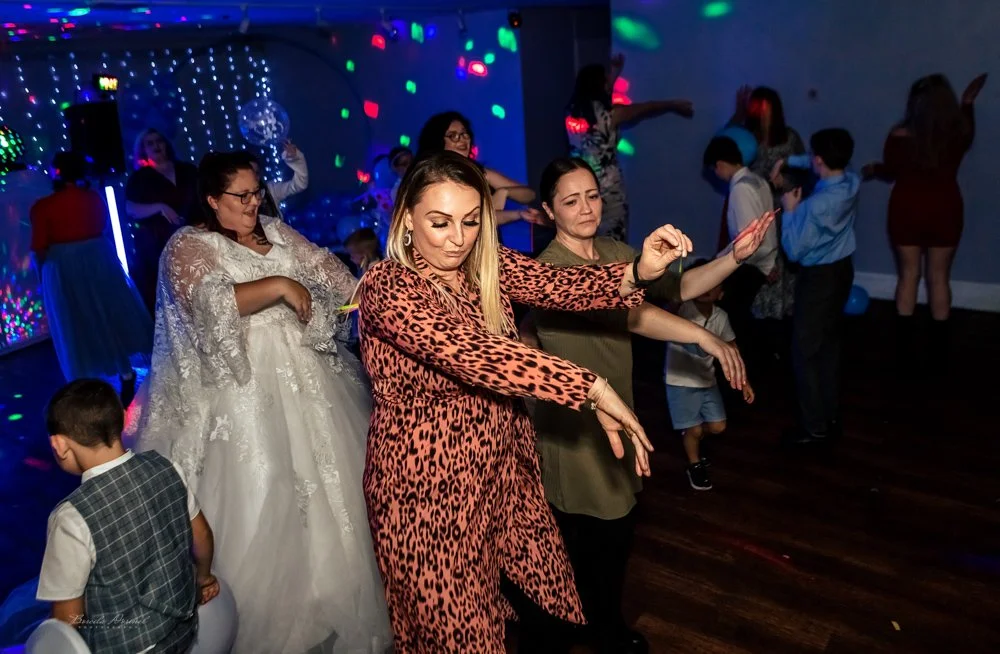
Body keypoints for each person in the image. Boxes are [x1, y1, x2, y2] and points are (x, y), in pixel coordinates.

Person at [358, 151, 698, 653]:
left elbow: (560, 284)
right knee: (460, 636)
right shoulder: (388, 286)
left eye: (472, 221)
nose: (458, 237)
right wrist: (589, 386)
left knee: (546, 599)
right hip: (430, 493)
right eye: (440, 222)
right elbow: (474, 353)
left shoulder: (482, 266)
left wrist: (638, 272)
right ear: (406, 218)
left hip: (503, 472)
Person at [128, 151, 392, 653]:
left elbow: (331, 273)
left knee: (334, 482)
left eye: (256, 193)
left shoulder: (275, 227)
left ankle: (336, 591)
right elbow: (207, 303)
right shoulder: (188, 245)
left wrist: (372, 286)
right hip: (244, 384)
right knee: (265, 485)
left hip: (311, 378)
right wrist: (277, 284)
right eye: (241, 196)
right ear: (211, 198)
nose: (254, 203)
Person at [518, 157, 772, 653]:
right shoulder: (547, 270)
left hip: (621, 411)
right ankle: (577, 630)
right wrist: (700, 334)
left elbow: (671, 293)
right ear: (548, 211)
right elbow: (621, 301)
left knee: (612, 536)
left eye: (592, 194)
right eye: (570, 201)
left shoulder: (614, 250)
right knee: (585, 538)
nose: (587, 207)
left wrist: (734, 257)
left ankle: (598, 623)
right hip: (573, 425)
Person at [37, 379, 217, 654]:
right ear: (122, 418)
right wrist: (204, 578)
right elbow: (202, 535)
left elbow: (68, 618)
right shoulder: (165, 466)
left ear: (59, 444)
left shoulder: (70, 518)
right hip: (183, 629)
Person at [862, 73, 987, 365]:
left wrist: (873, 169)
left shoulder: (898, 135)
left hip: (907, 209)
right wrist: (967, 102)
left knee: (908, 276)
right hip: (945, 208)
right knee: (939, 278)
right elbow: (967, 128)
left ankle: (904, 350)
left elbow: (891, 171)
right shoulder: (958, 133)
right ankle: (939, 351)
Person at [30, 152, 152, 403]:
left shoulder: (43, 207)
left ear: (56, 173)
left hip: (64, 267)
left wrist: (42, 276)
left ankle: (84, 385)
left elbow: (39, 246)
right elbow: (101, 227)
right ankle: (125, 371)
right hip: (100, 259)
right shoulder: (93, 199)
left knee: (75, 322)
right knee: (108, 314)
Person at [774, 128, 859, 444]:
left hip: (819, 280)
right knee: (829, 346)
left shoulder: (815, 206)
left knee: (804, 352)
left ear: (819, 159)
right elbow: (816, 163)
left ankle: (814, 426)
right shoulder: (851, 182)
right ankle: (830, 414)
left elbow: (795, 251)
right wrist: (788, 159)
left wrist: (791, 211)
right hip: (842, 271)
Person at [566, 54, 694, 241]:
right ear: (600, 85)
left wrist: (615, 73)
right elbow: (646, 107)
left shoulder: (571, 114)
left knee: (586, 239)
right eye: (606, 81)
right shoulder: (611, 115)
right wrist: (672, 104)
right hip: (609, 189)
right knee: (613, 241)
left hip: (580, 184)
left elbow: (600, 102)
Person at [664, 259, 755, 491]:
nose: (705, 287)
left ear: (721, 293)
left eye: (712, 283)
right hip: (679, 381)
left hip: (707, 380)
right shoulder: (682, 310)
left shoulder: (721, 318)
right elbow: (664, 315)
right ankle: (694, 463)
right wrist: (678, 293)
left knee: (718, 427)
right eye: (700, 282)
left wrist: (743, 381)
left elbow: (732, 348)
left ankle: (690, 435)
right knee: (694, 429)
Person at [703, 136, 779, 360]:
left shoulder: (739, 190)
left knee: (733, 318)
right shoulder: (759, 181)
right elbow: (770, 227)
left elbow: (748, 240)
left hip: (749, 265)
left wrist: (719, 260)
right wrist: (771, 261)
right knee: (741, 315)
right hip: (764, 260)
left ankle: (745, 363)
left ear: (719, 165)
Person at [416, 110, 547, 227]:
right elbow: (473, 222)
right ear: (438, 141)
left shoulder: (480, 172)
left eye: (464, 133)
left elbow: (530, 194)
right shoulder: (432, 179)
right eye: (453, 135)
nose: (462, 139)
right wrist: (515, 213)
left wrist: (505, 192)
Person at [125, 128, 200, 314]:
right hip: (158, 242)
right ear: (143, 150)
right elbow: (131, 209)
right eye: (149, 143)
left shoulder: (187, 169)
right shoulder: (140, 178)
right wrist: (159, 207)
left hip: (192, 235)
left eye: (159, 141)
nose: (156, 146)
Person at [251, 140, 309, 220]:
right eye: (248, 173)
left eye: (256, 172)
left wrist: (294, 158)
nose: (253, 177)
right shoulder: (234, 199)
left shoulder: (270, 191)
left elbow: (300, 184)